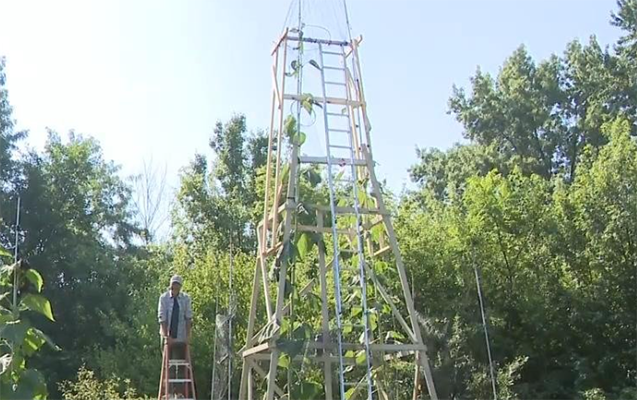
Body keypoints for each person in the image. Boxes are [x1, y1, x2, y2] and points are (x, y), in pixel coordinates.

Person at [158, 275, 193, 359]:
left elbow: (188, 318)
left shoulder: (186, 299)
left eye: (177, 285)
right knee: (167, 361)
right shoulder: (164, 298)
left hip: (181, 337)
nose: (175, 287)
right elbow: (162, 318)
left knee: (180, 362)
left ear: (180, 286)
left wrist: (188, 336)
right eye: (174, 284)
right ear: (170, 285)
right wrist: (166, 336)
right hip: (167, 335)